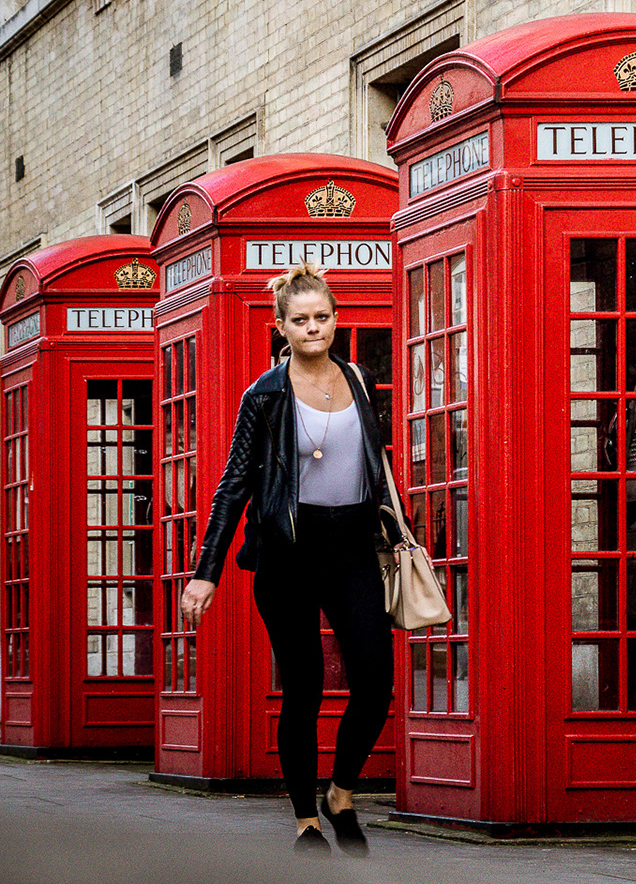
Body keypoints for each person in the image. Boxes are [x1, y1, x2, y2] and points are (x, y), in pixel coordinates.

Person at [178, 263, 393, 858]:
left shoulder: (360, 377)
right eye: (300, 320)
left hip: (351, 548)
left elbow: (376, 466)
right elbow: (233, 485)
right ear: (281, 326)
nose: (313, 328)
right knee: (304, 691)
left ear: (336, 319)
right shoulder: (264, 395)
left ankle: (342, 792)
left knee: (376, 682)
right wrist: (206, 571)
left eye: (322, 317)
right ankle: (306, 819)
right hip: (289, 556)